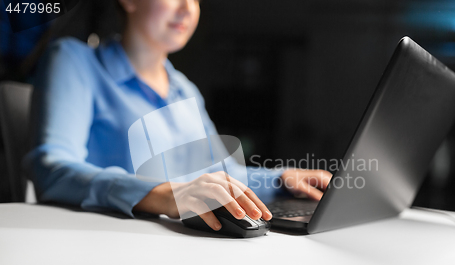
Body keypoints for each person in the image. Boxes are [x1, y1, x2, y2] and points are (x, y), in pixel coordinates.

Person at [23, 0, 332, 231]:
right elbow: (53, 170)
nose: (187, 8)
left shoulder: (184, 89)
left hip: (182, 248)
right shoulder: (75, 61)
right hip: (106, 245)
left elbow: (226, 175)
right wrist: (164, 195)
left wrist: (282, 179)